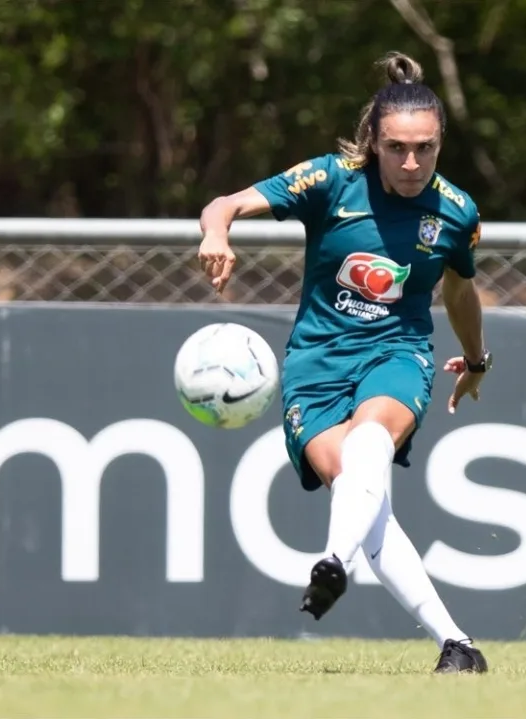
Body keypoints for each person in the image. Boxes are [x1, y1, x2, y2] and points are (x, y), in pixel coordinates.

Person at [196, 51, 492, 675]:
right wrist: (216, 235)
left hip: (398, 351)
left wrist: (475, 359)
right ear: (373, 143)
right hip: (314, 366)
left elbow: (460, 292)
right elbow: (223, 203)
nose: (412, 163)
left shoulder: (456, 212)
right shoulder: (328, 181)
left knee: (369, 445)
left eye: (426, 149)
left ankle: (333, 561)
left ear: (441, 144)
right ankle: (457, 645)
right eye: (396, 148)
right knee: (366, 499)